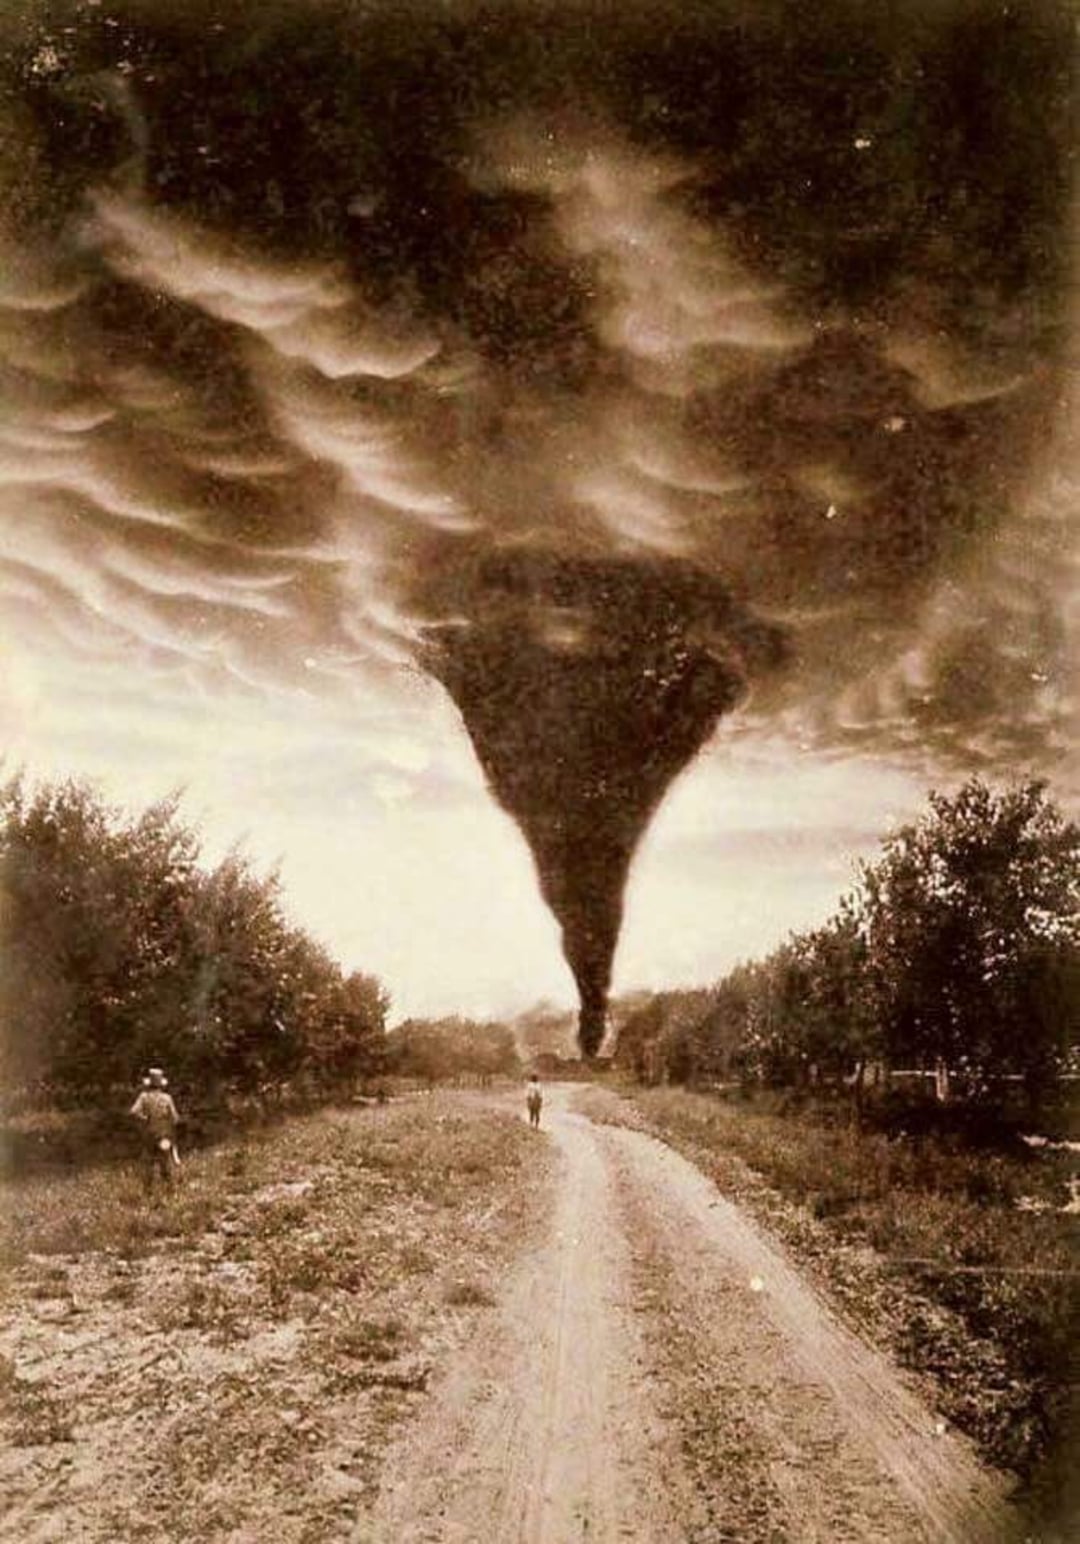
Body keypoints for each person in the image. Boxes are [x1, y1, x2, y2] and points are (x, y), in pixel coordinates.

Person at [130, 1067, 181, 1185]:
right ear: (161, 1084)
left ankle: (149, 1191)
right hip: (164, 1135)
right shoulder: (167, 1098)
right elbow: (175, 1118)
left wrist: (144, 1118)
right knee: (165, 1162)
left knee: (149, 1163)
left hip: (149, 1135)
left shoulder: (143, 1096)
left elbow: (133, 1112)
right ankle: (170, 1190)